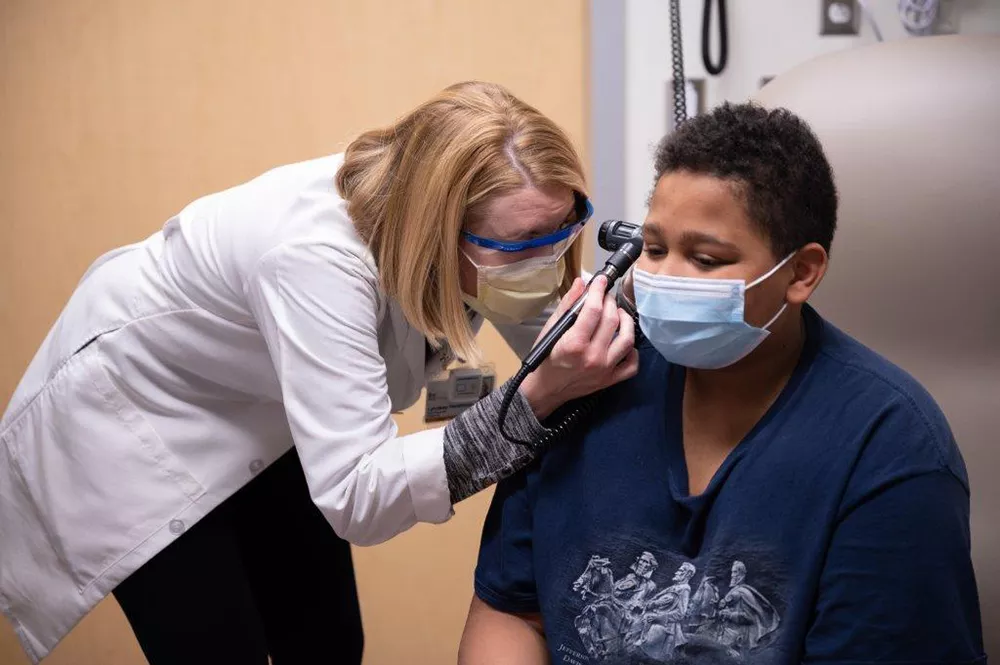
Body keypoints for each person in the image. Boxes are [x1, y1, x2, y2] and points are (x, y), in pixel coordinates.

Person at [0, 81, 639, 664]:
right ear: (434, 231)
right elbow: (359, 499)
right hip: (142, 423)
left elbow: (553, 337)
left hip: (261, 409)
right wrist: (533, 402)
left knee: (328, 642)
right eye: (522, 244)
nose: (550, 257)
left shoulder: (490, 232)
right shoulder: (313, 257)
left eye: (563, 229)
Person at [459, 103, 985, 664]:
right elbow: (510, 612)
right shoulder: (583, 385)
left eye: (706, 259)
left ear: (801, 272)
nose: (663, 278)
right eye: (654, 249)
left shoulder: (887, 445)